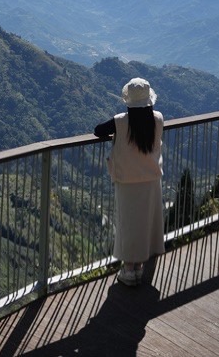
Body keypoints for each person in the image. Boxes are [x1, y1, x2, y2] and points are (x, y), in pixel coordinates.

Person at [94, 77, 165, 286]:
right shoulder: (158, 118)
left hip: (127, 180)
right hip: (151, 178)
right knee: (146, 222)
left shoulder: (120, 121)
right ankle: (140, 266)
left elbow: (98, 130)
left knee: (128, 224)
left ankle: (128, 269)